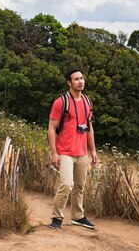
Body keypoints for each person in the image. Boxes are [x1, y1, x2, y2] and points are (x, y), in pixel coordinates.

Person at [47, 68, 98, 230]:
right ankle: (56, 218)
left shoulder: (88, 101)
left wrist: (93, 151)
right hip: (65, 152)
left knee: (80, 186)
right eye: (76, 79)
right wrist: (54, 153)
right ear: (69, 82)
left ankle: (78, 216)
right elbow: (51, 128)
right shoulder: (61, 102)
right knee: (67, 184)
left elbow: (89, 126)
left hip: (82, 152)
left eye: (82, 78)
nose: (80, 81)